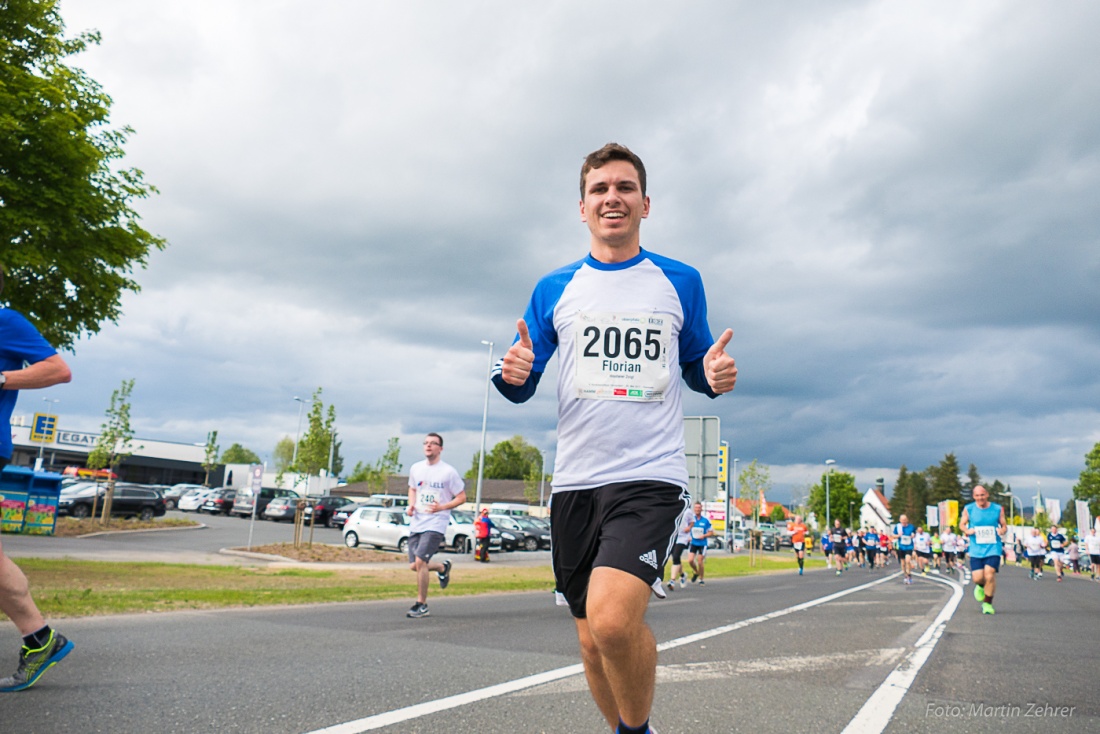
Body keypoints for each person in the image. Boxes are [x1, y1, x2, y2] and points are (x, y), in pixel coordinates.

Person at [493, 142, 737, 734]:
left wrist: (710, 374)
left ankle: (635, 732)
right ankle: (632, 730)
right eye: (600, 190)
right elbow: (525, 375)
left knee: (610, 621)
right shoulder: (556, 288)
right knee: (590, 642)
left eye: (624, 188)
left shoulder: (680, 280)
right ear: (582, 208)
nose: (613, 198)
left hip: (651, 477)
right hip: (576, 482)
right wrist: (513, 374)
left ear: (645, 204)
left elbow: (695, 359)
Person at [0, 303, 74, 692]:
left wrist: (2, 377)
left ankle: (41, 639)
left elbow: (58, 369)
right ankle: (40, 639)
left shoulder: (5, 319)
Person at [404, 433, 466, 618]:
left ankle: (421, 604)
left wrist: (442, 507)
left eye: (433, 443)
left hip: (436, 523)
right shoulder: (416, 468)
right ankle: (441, 568)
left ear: (441, 448)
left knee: (421, 561)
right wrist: (411, 504)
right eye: (426, 443)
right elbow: (413, 488)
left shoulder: (448, 472)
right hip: (417, 521)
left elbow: (462, 497)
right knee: (414, 566)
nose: (428, 446)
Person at [959, 485, 1006, 615]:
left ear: (987, 495)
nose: (980, 498)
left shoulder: (997, 509)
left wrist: (1002, 530)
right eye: (977, 496)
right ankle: (980, 586)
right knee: (978, 578)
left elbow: (1004, 525)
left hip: (993, 546)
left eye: (982, 495)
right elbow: (961, 524)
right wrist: (967, 530)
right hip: (976, 548)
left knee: (989, 574)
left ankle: (987, 604)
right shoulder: (969, 509)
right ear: (974, 497)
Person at [667, 502, 696, 591]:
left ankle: (672, 581)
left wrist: (689, 527)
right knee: (676, 559)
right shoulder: (672, 510)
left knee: (676, 556)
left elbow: (692, 522)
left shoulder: (687, 511)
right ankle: (683, 575)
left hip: (683, 538)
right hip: (673, 537)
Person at [687, 503, 713, 585]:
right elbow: (687, 529)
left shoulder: (706, 520)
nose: (697, 509)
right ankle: (696, 571)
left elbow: (711, 532)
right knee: (690, 560)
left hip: (702, 543)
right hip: (693, 542)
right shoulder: (691, 520)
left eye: (699, 508)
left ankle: (701, 579)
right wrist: (688, 536)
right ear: (694, 509)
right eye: (696, 508)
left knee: (700, 561)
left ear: (701, 509)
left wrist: (704, 535)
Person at [892, 515, 916, 584]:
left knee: (908, 561)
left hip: (909, 546)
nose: (904, 521)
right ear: (900, 520)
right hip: (901, 547)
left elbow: (914, 534)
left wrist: (913, 535)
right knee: (903, 564)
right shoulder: (898, 527)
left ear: (907, 520)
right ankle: (905, 575)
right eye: (902, 520)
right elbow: (893, 536)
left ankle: (909, 575)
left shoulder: (911, 527)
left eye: (905, 520)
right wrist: (898, 535)